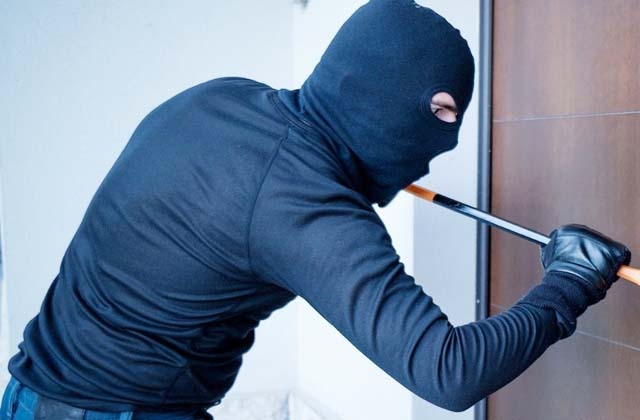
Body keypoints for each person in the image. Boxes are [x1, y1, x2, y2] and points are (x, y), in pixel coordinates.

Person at [1, 0, 632, 418]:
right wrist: (570, 282)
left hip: (35, 392)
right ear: (394, 95)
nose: (443, 141)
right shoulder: (306, 204)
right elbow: (449, 372)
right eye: (444, 112)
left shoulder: (226, 98)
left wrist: (365, 178)